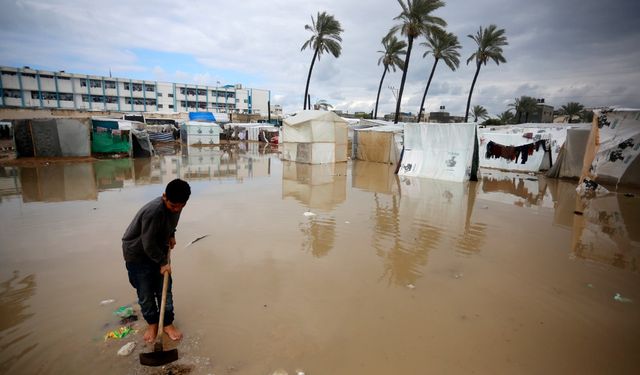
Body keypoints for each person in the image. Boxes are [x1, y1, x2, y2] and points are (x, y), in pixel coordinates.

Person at [122, 178, 191, 343]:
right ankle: (153, 324)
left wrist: (171, 234)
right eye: (173, 206)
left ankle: (167, 324)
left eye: (181, 206)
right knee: (145, 293)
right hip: (137, 253)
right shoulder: (153, 212)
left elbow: (171, 222)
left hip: (158, 249)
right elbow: (147, 243)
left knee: (164, 290)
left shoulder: (177, 205)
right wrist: (163, 263)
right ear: (164, 197)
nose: (177, 209)